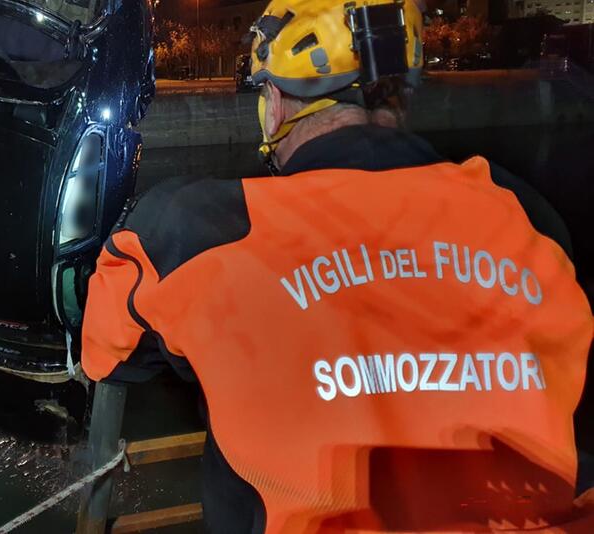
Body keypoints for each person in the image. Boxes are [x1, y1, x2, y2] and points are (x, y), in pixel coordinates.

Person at [80, 0, 594, 532]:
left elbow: (110, 357)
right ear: (400, 95)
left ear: (275, 103)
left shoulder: (190, 230)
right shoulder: (526, 216)